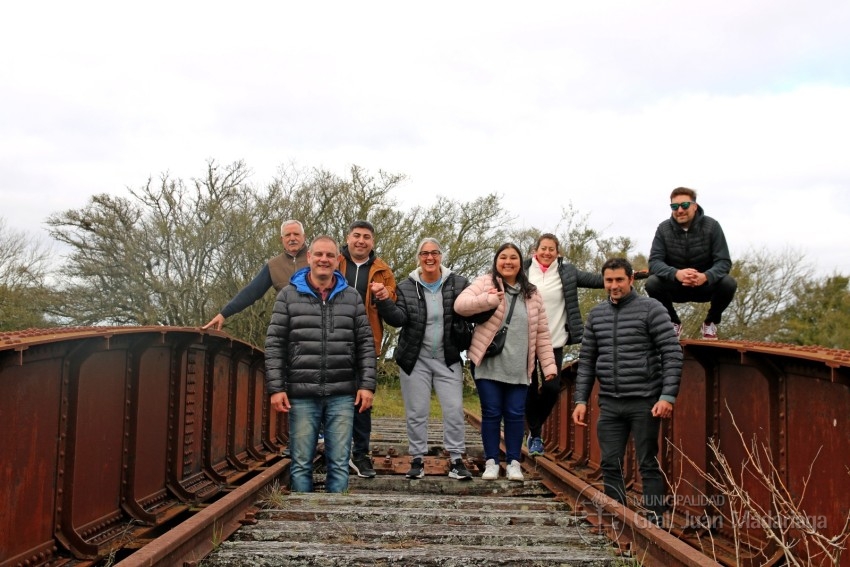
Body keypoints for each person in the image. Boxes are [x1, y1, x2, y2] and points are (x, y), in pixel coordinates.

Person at [572, 257, 682, 524]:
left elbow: (672, 352)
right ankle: (617, 520)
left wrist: (667, 396)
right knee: (609, 463)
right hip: (609, 402)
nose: (614, 285)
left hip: (645, 400)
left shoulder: (651, 309)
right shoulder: (597, 315)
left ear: (631, 279)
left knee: (647, 463)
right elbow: (586, 361)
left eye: (619, 279)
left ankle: (655, 521)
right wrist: (581, 400)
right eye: (608, 280)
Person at [264, 235, 376, 493]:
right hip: (302, 394)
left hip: (342, 393)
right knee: (301, 462)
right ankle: (304, 521)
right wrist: (276, 388)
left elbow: (365, 345)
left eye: (329, 256)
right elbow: (275, 343)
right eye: (319, 255)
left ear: (338, 260)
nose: (324, 260)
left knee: (338, 463)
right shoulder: (288, 296)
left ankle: (335, 523)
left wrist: (367, 385)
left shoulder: (351, 297)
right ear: (309, 258)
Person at [454, 243, 557, 482]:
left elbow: (542, 332)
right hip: (488, 363)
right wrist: (487, 300)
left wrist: (549, 366)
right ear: (496, 261)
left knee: (515, 414)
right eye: (503, 257)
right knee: (490, 413)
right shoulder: (486, 282)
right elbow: (460, 305)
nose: (508, 262)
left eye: (513, 257)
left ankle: (513, 462)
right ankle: (491, 461)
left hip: (519, 367)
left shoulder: (532, 293)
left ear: (521, 262)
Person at [378, 238, 473, 481]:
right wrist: (384, 301)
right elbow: (397, 319)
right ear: (418, 258)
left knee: (453, 409)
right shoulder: (406, 286)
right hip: (415, 359)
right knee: (417, 411)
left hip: (448, 357)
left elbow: (476, 307)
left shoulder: (459, 283)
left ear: (441, 256)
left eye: (434, 253)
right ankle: (417, 459)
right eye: (424, 254)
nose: (429, 258)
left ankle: (456, 460)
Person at [522, 233, 604, 457]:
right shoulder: (523, 270)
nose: (547, 252)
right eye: (543, 248)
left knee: (551, 387)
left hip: (553, 339)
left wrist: (629, 276)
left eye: (552, 249)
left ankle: (530, 424)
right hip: (525, 339)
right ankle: (535, 434)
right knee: (528, 387)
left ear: (558, 253)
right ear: (535, 251)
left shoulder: (567, 272)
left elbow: (596, 280)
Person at [337, 220, 398, 479]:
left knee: (363, 400)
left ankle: (360, 454)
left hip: (366, 342)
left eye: (367, 237)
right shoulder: (333, 261)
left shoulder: (383, 271)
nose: (361, 241)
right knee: (330, 397)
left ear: (372, 242)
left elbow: (394, 312)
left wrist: (384, 297)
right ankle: (333, 452)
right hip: (332, 341)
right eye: (356, 235)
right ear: (348, 238)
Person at [645, 187, 737, 340]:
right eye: (675, 207)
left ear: (694, 206)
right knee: (652, 283)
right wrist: (676, 274)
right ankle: (672, 323)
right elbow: (654, 262)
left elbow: (724, 261)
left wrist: (706, 276)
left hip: (704, 285)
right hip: (676, 286)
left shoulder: (712, 226)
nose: (680, 210)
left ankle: (710, 323)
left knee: (729, 283)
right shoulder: (663, 229)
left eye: (685, 205)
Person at [202, 220, 308, 330]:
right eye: (287, 235)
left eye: (296, 234)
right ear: (282, 239)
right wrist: (223, 314)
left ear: (304, 237)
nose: (292, 238)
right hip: (287, 326)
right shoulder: (273, 265)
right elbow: (251, 292)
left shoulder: (317, 259)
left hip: (315, 324)